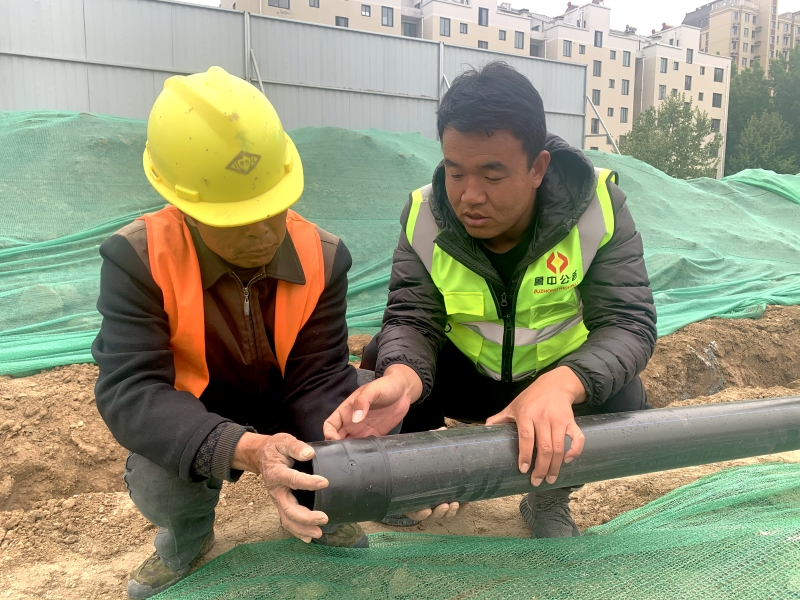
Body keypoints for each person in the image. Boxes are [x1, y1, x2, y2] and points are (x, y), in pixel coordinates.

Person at [325, 61, 657, 538]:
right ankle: (422, 478)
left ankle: (547, 496)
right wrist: (402, 378)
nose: (470, 196)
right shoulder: (425, 216)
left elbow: (629, 324)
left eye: (492, 176)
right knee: (386, 359)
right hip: (468, 379)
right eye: (455, 172)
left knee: (621, 392)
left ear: (538, 168)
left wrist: (562, 384)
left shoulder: (596, 210)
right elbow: (412, 318)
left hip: (549, 380)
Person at [92, 67, 367, 600]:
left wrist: (348, 461)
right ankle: (188, 535)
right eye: (235, 219)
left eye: (270, 209)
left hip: (287, 403)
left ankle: (322, 508)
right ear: (186, 208)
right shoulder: (138, 258)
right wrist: (240, 447)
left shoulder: (323, 256)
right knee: (158, 476)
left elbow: (320, 378)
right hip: (194, 412)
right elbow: (132, 392)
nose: (262, 232)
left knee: (350, 416)